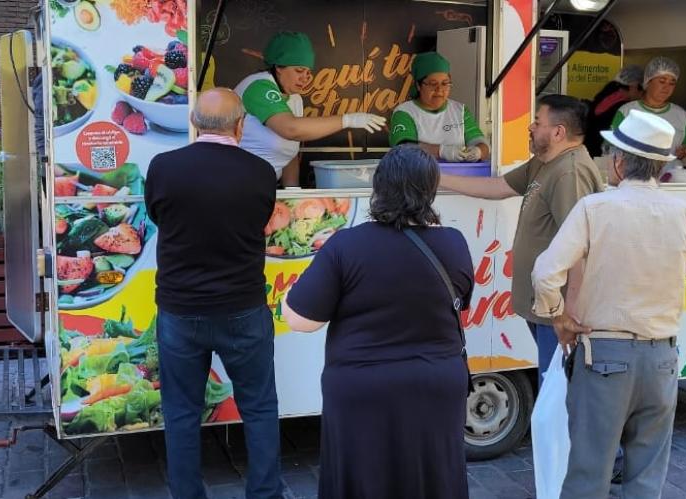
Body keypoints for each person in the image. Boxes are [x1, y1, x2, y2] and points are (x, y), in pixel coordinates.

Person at [282, 145, 474, 499]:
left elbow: (300, 320)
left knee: (364, 480)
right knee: (432, 478)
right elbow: (460, 306)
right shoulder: (454, 243)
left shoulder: (346, 246)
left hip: (363, 389)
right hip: (436, 385)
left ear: (379, 186)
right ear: (430, 190)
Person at [531, 109, 686, 498]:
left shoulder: (596, 208)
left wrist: (557, 316)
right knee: (646, 478)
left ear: (620, 162)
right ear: (660, 166)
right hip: (662, 359)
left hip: (604, 355)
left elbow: (545, 273)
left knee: (588, 476)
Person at [144, 89, 282, 499]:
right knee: (258, 408)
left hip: (180, 310)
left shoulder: (163, 167)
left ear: (194, 122)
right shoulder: (261, 172)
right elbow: (261, 221)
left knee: (182, 413)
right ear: (240, 126)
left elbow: (157, 216)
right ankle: (265, 494)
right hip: (243, 308)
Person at [439, 94, 604, 386]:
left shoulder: (570, 172)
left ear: (558, 132)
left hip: (559, 311)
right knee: (553, 387)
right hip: (544, 307)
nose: (530, 127)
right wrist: (437, 178)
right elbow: (499, 186)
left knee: (557, 393)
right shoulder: (544, 162)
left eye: (537, 122)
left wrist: (568, 315)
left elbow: (581, 248)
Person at [235, 31, 386, 186]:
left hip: (265, 187)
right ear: (279, 67)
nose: (305, 78)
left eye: (308, 72)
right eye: (299, 71)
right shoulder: (258, 86)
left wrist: (293, 193)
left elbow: (290, 154)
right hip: (239, 183)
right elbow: (291, 129)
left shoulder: (295, 99)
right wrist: (347, 120)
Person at [388, 52, 490, 163]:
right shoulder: (404, 112)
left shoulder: (460, 111)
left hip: (459, 177)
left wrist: (479, 151)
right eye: (433, 84)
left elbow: (480, 141)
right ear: (418, 85)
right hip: (419, 177)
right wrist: (442, 151)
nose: (439, 89)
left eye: (445, 83)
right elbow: (403, 147)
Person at [612, 56, 686, 169]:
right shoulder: (626, 112)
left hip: (670, 182)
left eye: (672, 83)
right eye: (662, 81)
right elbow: (610, 150)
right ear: (648, 82)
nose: (667, 87)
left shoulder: (682, 116)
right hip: (634, 181)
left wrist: (685, 154)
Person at [584, 65, 643, 157]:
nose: (642, 94)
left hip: (590, 146)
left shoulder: (610, 90)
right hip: (599, 150)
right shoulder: (623, 107)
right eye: (641, 90)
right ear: (633, 87)